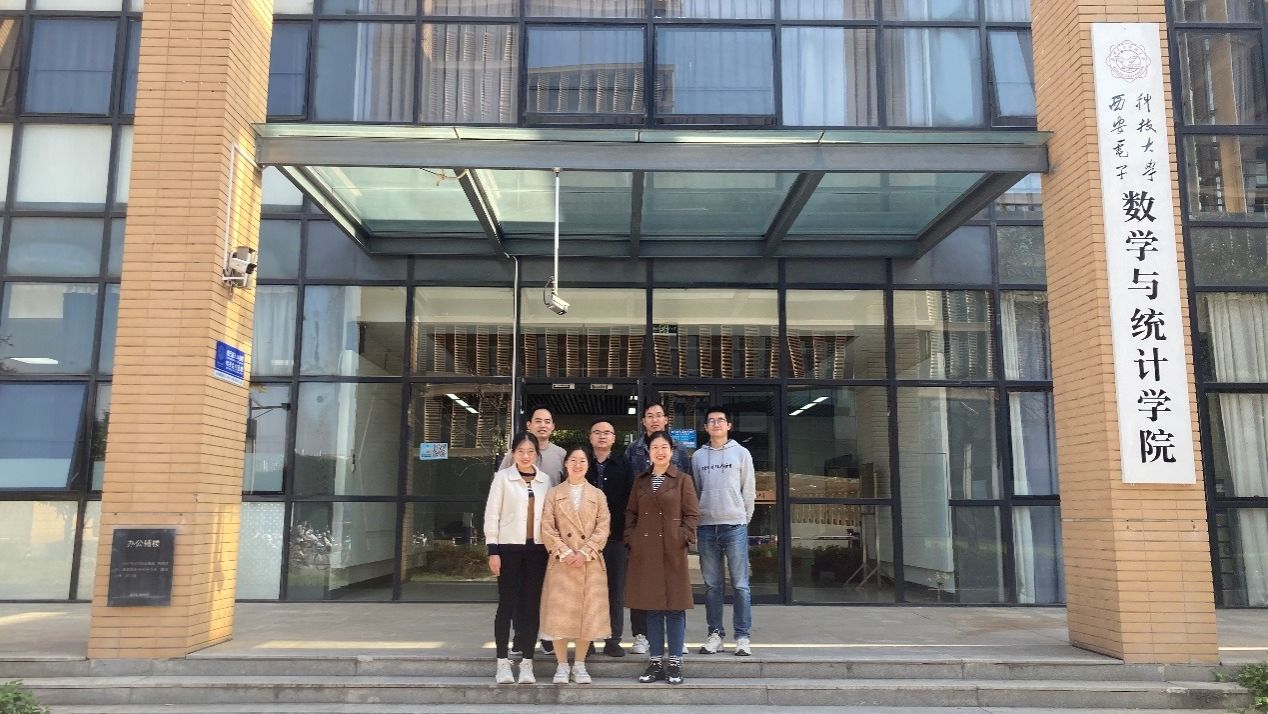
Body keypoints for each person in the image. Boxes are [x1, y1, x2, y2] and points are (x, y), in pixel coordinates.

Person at [624, 431, 699, 685]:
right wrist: (632, 538)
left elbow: (692, 514)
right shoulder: (641, 481)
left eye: (664, 447)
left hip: (672, 550)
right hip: (646, 551)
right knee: (653, 608)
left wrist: (682, 536)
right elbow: (631, 513)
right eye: (654, 447)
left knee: (675, 607)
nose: (659, 451)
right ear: (648, 452)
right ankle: (655, 662)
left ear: (672, 450)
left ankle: (675, 662)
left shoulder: (683, 480)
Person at [539, 447, 611, 685]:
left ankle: (579, 664)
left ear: (588, 465)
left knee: (587, 615)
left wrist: (586, 551)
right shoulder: (554, 493)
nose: (578, 465)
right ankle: (561, 665)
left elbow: (603, 527)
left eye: (582, 461)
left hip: (589, 562)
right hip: (562, 562)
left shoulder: (598, 495)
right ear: (566, 464)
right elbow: (547, 527)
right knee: (559, 615)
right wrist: (566, 552)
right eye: (573, 460)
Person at [484, 433, 550, 684]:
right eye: (521, 451)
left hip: (537, 552)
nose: (525, 456)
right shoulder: (502, 478)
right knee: (507, 604)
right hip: (508, 549)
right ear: (513, 453)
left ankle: (527, 663)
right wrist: (493, 550)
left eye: (530, 451)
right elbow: (492, 514)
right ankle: (502, 662)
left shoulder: (545, 480)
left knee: (532, 606)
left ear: (537, 454)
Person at [499, 405, 565, 655]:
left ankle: (545, 635)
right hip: (517, 533)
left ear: (553, 426)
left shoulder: (561, 455)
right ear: (529, 425)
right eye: (538, 420)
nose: (542, 425)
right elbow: (500, 489)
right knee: (518, 588)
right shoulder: (513, 455)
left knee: (545, 587)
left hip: (549, 534)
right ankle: (520, 635)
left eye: (547, 421)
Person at [692, 406, 756, 657]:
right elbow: (697, 490)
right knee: (712, 586)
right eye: (711, 421)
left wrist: (742, 519)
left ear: (729, 425)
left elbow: (748, 489)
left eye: (721, 420)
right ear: (705, 427)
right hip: (707, 527)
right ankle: (715, 634)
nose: (716, 424)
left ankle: (742, 636)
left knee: (740, 585)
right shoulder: (698, 457)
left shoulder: (741, 453)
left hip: (734, 526)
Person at [585, 418, 634, 657]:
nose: (602, 436)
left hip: (616, 538)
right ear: (590, 437)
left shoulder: (624, 466)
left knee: (615, 591)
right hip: (586, 541)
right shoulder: (582, 464)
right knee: (588, 591)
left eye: (607, 432)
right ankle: (588, 639)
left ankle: (613, 640)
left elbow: (631, 503)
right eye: (597, 432)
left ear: (614, 438)